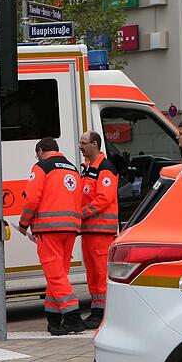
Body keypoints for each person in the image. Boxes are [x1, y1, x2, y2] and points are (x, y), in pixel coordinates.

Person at [18, 137, 84, 336]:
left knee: (55, 275)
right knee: (58, 275)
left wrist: (23, 224)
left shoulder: (41, 167)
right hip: (71, 228)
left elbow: (31, 199)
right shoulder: (72, 169)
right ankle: (53, 320)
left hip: (49, 229)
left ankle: (72, 318)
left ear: (40, 150)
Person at [78, 131, 119, 330]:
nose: (80, 146)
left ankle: (102, 313)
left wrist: (81, 213)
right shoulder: (88, 169)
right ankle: (97, 311)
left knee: (101, 273)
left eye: (84, 143)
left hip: (101, 231)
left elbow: (104, 199)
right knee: (92, 273)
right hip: (89, 230)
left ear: (95, 144)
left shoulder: (105, 168)